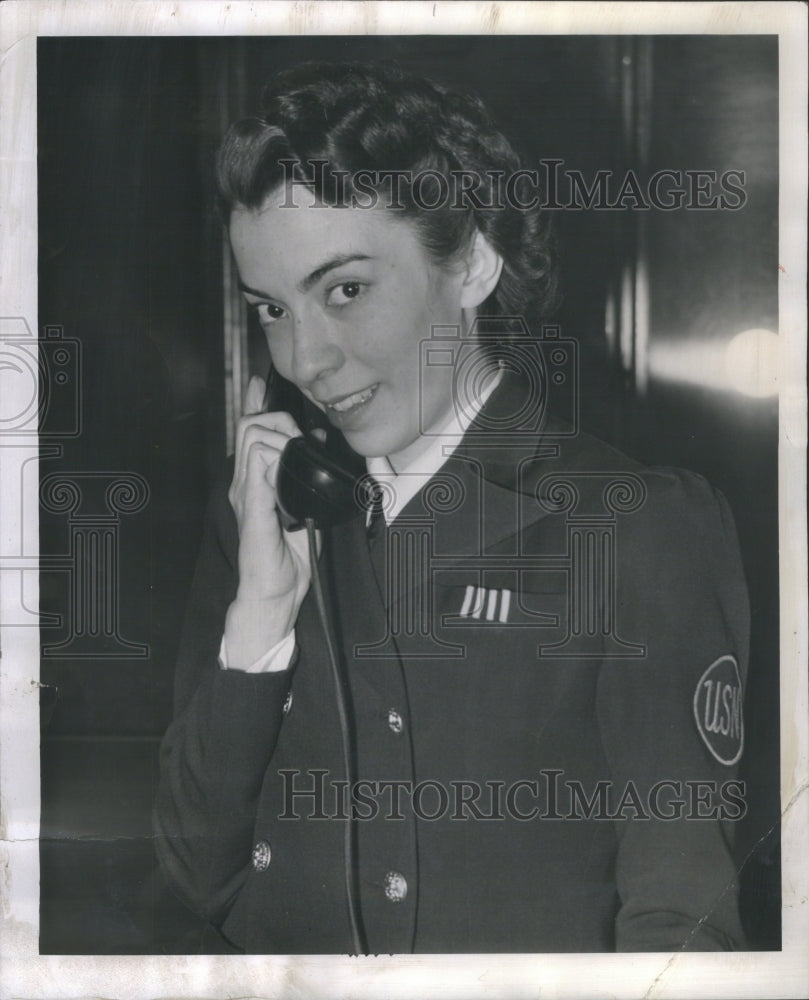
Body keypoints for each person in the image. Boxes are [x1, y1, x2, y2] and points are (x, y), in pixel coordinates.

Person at [154, 61, 750, 953]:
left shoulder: (630, 526)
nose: (303, 359)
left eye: (345, 290)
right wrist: (261, 621)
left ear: (469, 263)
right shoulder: (260, 517)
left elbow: (680, 928)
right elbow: (195, 877)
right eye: (270, 308)